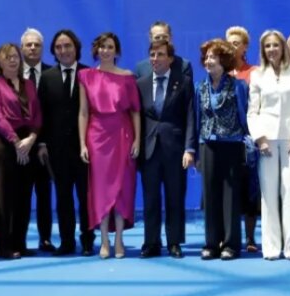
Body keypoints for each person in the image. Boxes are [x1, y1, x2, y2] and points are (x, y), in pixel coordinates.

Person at [247, 30, 290, 260]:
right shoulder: (257, 75)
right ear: (263, 50)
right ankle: (271, 248)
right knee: (268, 195)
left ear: (283, 47)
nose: (272, 49)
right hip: (267, 142)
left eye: (275, 45)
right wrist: (260, 138)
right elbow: (253, 112)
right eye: (267, 46)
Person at [79, 32, 141, 259]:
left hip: (123, 135)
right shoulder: (85, 76)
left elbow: (135, 111)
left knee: (122, 189)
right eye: (102, 47)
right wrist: (82, 143)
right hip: (96, 138)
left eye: (110, 47)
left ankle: (119, 241)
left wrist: (137, 139)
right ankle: (104, 240)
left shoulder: (128, 77)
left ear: (117, 51)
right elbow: (83, 112)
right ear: (96, 50)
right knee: (101, 190)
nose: (106, 50)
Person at [37, 29, 95, 256]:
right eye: (59, 47)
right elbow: (41, 114)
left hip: (85, 148)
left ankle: (88, 240)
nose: (63, 51)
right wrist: (41, 143)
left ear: (76, 48)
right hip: (57, 149)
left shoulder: (88, 74)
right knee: (62, 197)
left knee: (85, 196)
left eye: (67, 46)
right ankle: (67, 242)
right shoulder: (47, 77)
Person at [137, 40, 196, 259]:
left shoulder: (184, 82)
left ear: (170, 58)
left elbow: (191, 116)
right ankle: (151, 242)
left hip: (176, 149)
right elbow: (137, 119)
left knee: (175, 197)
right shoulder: (141, 84)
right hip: (149, 149)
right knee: (150, 198)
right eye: (152, 54)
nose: (155, 58)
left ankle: (174, 242)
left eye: (160, 54)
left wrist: (190, 148)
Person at [194, 39, 250, 260]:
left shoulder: (238, 86)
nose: (208, 61)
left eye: (213, 57)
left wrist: (250, 144)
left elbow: (244, 115)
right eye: (206, 57)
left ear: (224, 61)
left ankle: (230, 244)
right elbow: (197, 119)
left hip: (232, 145)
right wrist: (195, 150)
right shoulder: (200, 87)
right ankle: (211, 243)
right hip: (207, 144)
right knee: (210, 195)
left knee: (230, 196)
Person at [0, 43, 43, 259]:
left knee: (24, 194)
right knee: (4, 195)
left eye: (15, 56)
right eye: (7, 57)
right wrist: (15, 141)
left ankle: (20, 241)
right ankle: (5, 245)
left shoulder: (29, 85)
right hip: (2, 142)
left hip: (27, 140)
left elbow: (37, 115)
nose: (12, 60)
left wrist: (31, 139)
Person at [19, 28, 54, 252]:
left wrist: (43, 142)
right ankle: (19, 240)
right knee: (20, 195)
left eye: (37, 45)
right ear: (21, 48)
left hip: (46, 147)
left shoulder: (53, 74)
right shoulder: (10, 75)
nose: (32, 48)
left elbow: (53, 113)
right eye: (28, 45)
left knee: (44, 194)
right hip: (19, 146)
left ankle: (45, 238)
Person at [226, 25, 260, 252]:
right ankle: (229, 237)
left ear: (245, 46)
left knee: (250, 189)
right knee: (228, 189)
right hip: (225, 141)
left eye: (237, 43)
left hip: (249, 140)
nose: (232, 46)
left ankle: (250, 238)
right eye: (229, 42)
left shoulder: (255, 72)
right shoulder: (219, 71)